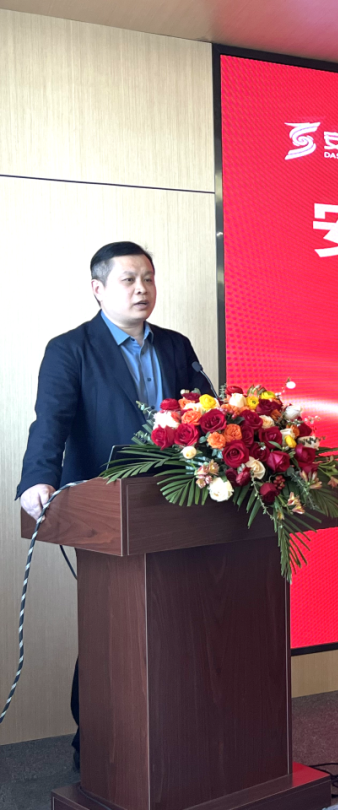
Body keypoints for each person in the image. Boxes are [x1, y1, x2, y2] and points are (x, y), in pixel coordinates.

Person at [16, 241, 210, 769]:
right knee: (113, 623)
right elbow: (50, 421)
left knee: (173, 619)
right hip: (107, 509)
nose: (142, 289)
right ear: (98, 289)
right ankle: (97, 736)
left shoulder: (175, 345)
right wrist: (38, 479)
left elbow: (205, 413)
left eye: (148, 278)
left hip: (175, 505)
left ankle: (170, 728)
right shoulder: (70, 348)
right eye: (128, 280)